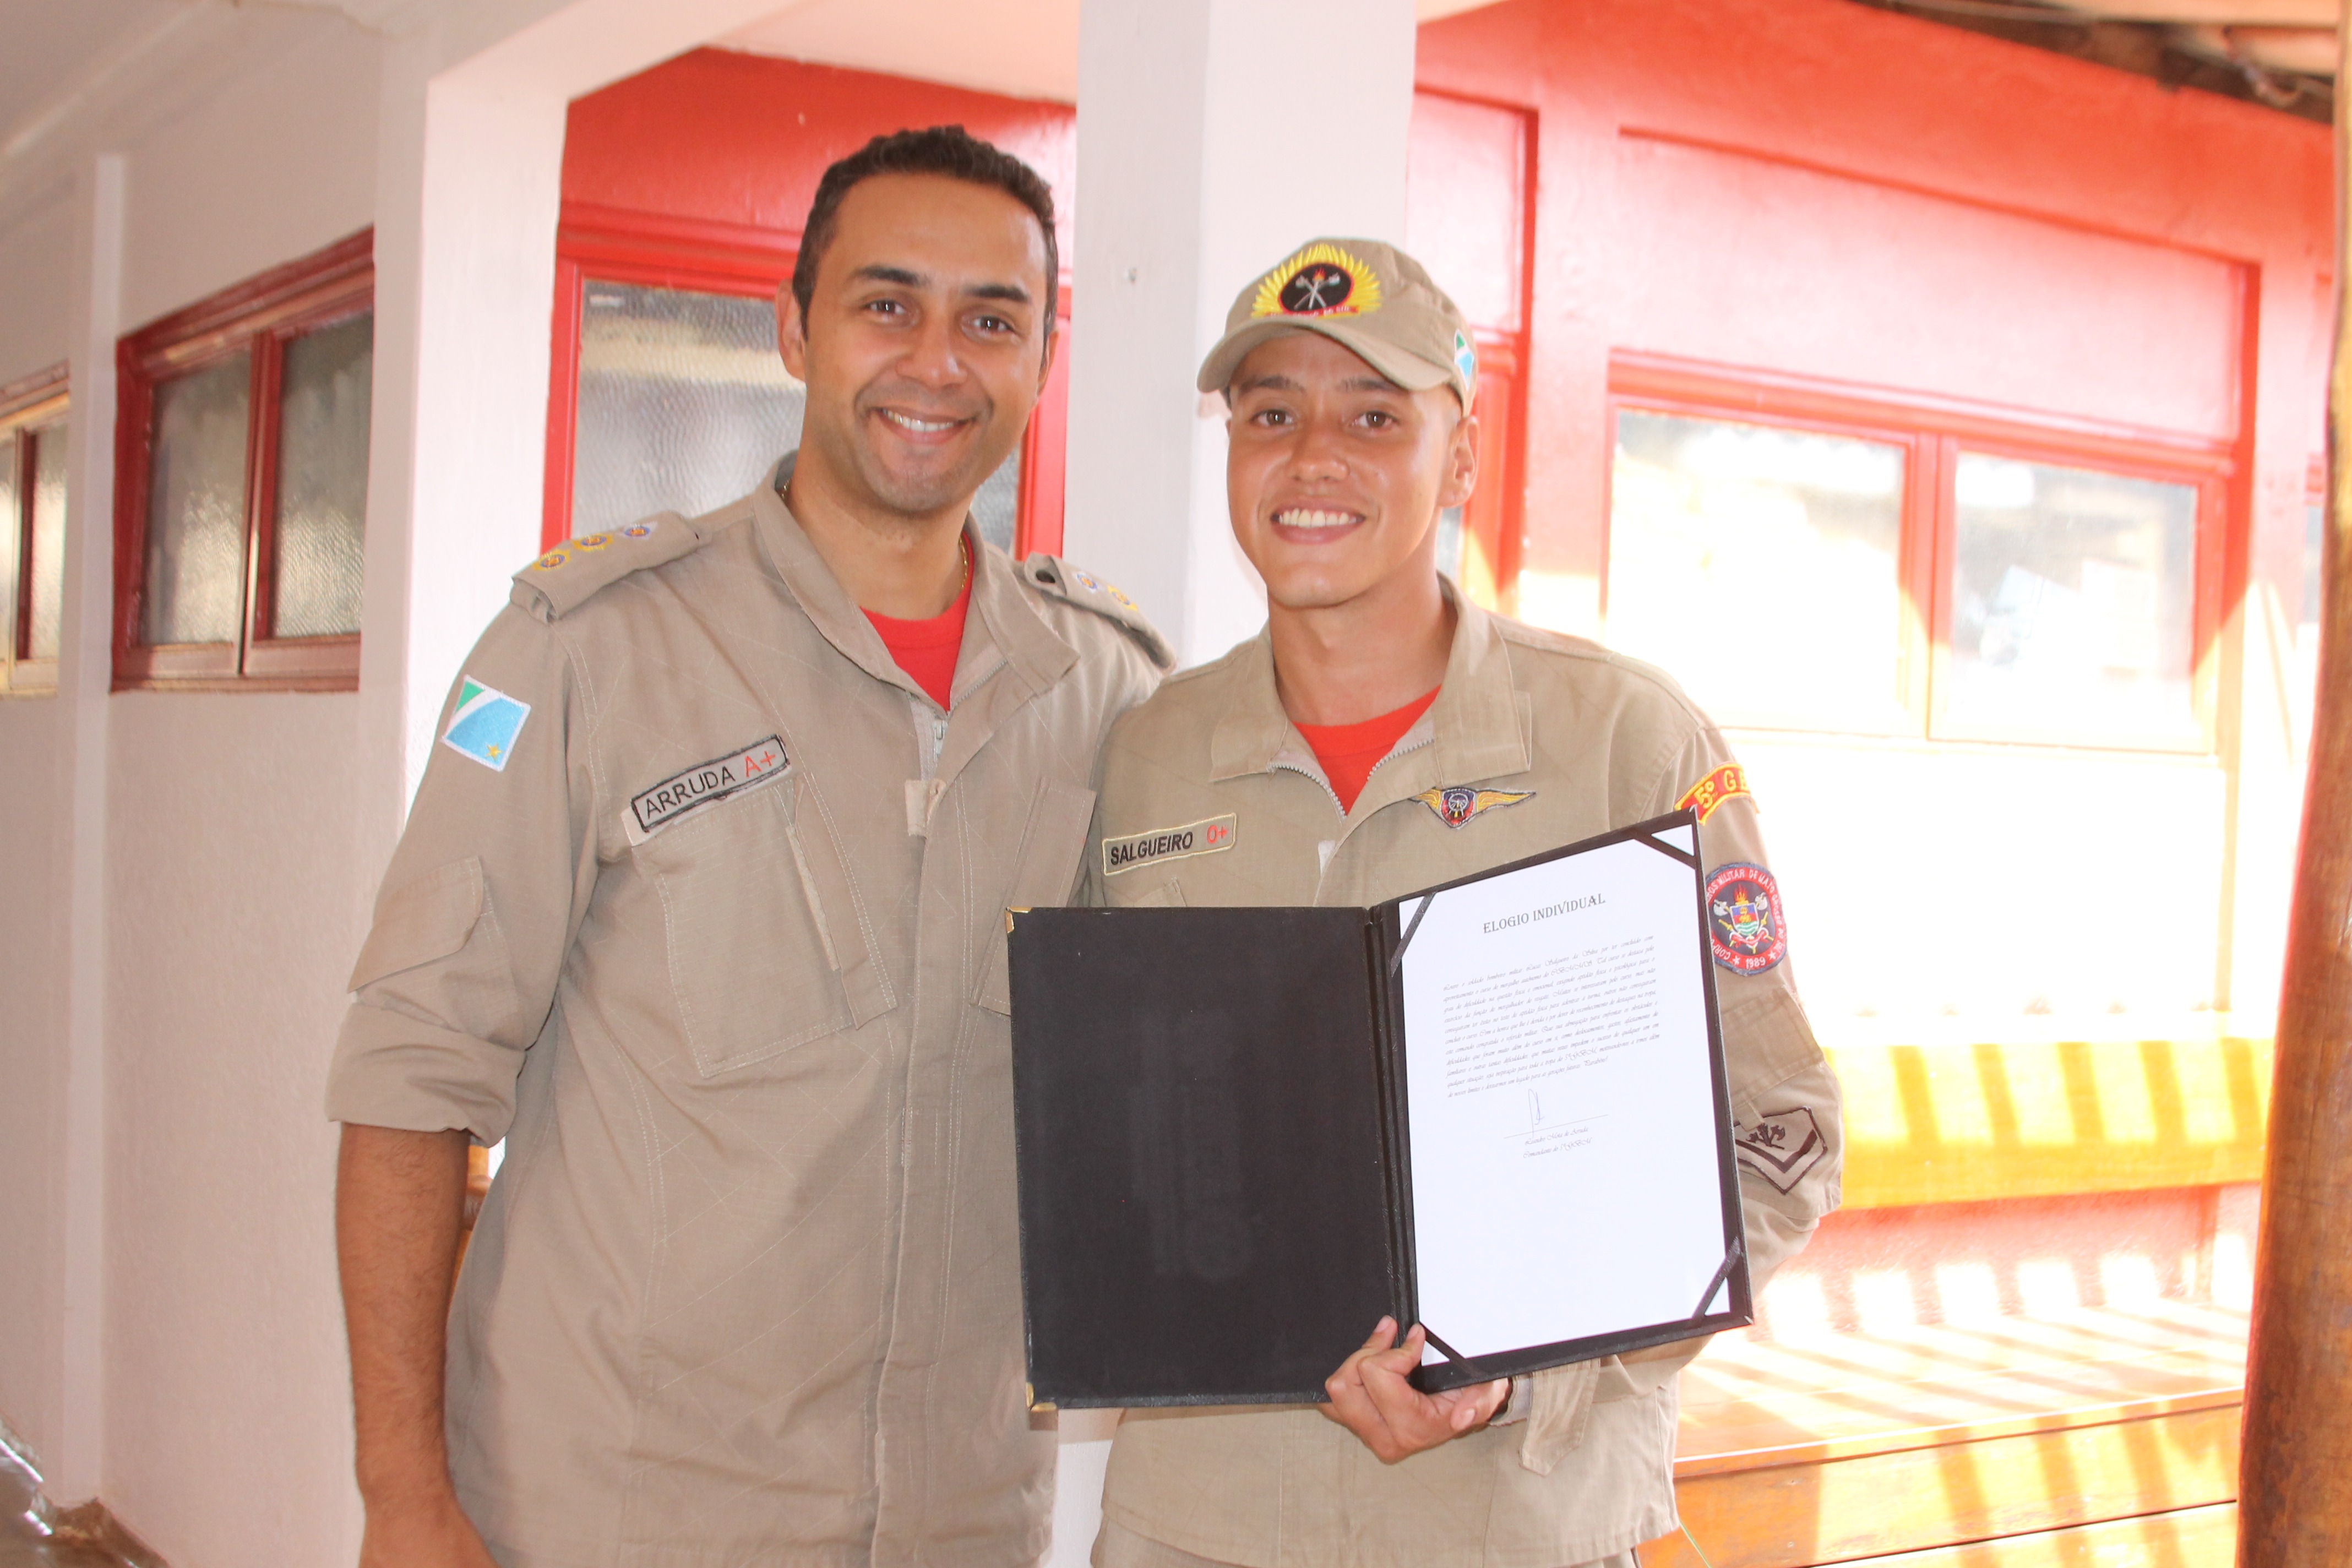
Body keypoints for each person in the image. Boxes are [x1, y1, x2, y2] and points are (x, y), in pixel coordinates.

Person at [328, 126, 1168, 1568]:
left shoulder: (1106, 694)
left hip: (954, 1521)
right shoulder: (585, 649)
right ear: (794, 329)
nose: (937, 362)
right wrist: (405, 1499)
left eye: (993, 319)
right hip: (609, 1505)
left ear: (1041, 359)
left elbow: (1188, 1071)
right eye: (886, 304)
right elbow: (411, 1081)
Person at [1081, 238, 1843, 1568]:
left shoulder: (1625, 743)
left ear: (1464, 457)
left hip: (1511, 1526)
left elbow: (1780, 1134)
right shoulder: (1149, 749)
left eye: (1375, 416)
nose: (1313, 455)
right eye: (1273, 413)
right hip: (1202, 1525)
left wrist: (1533, 1372)